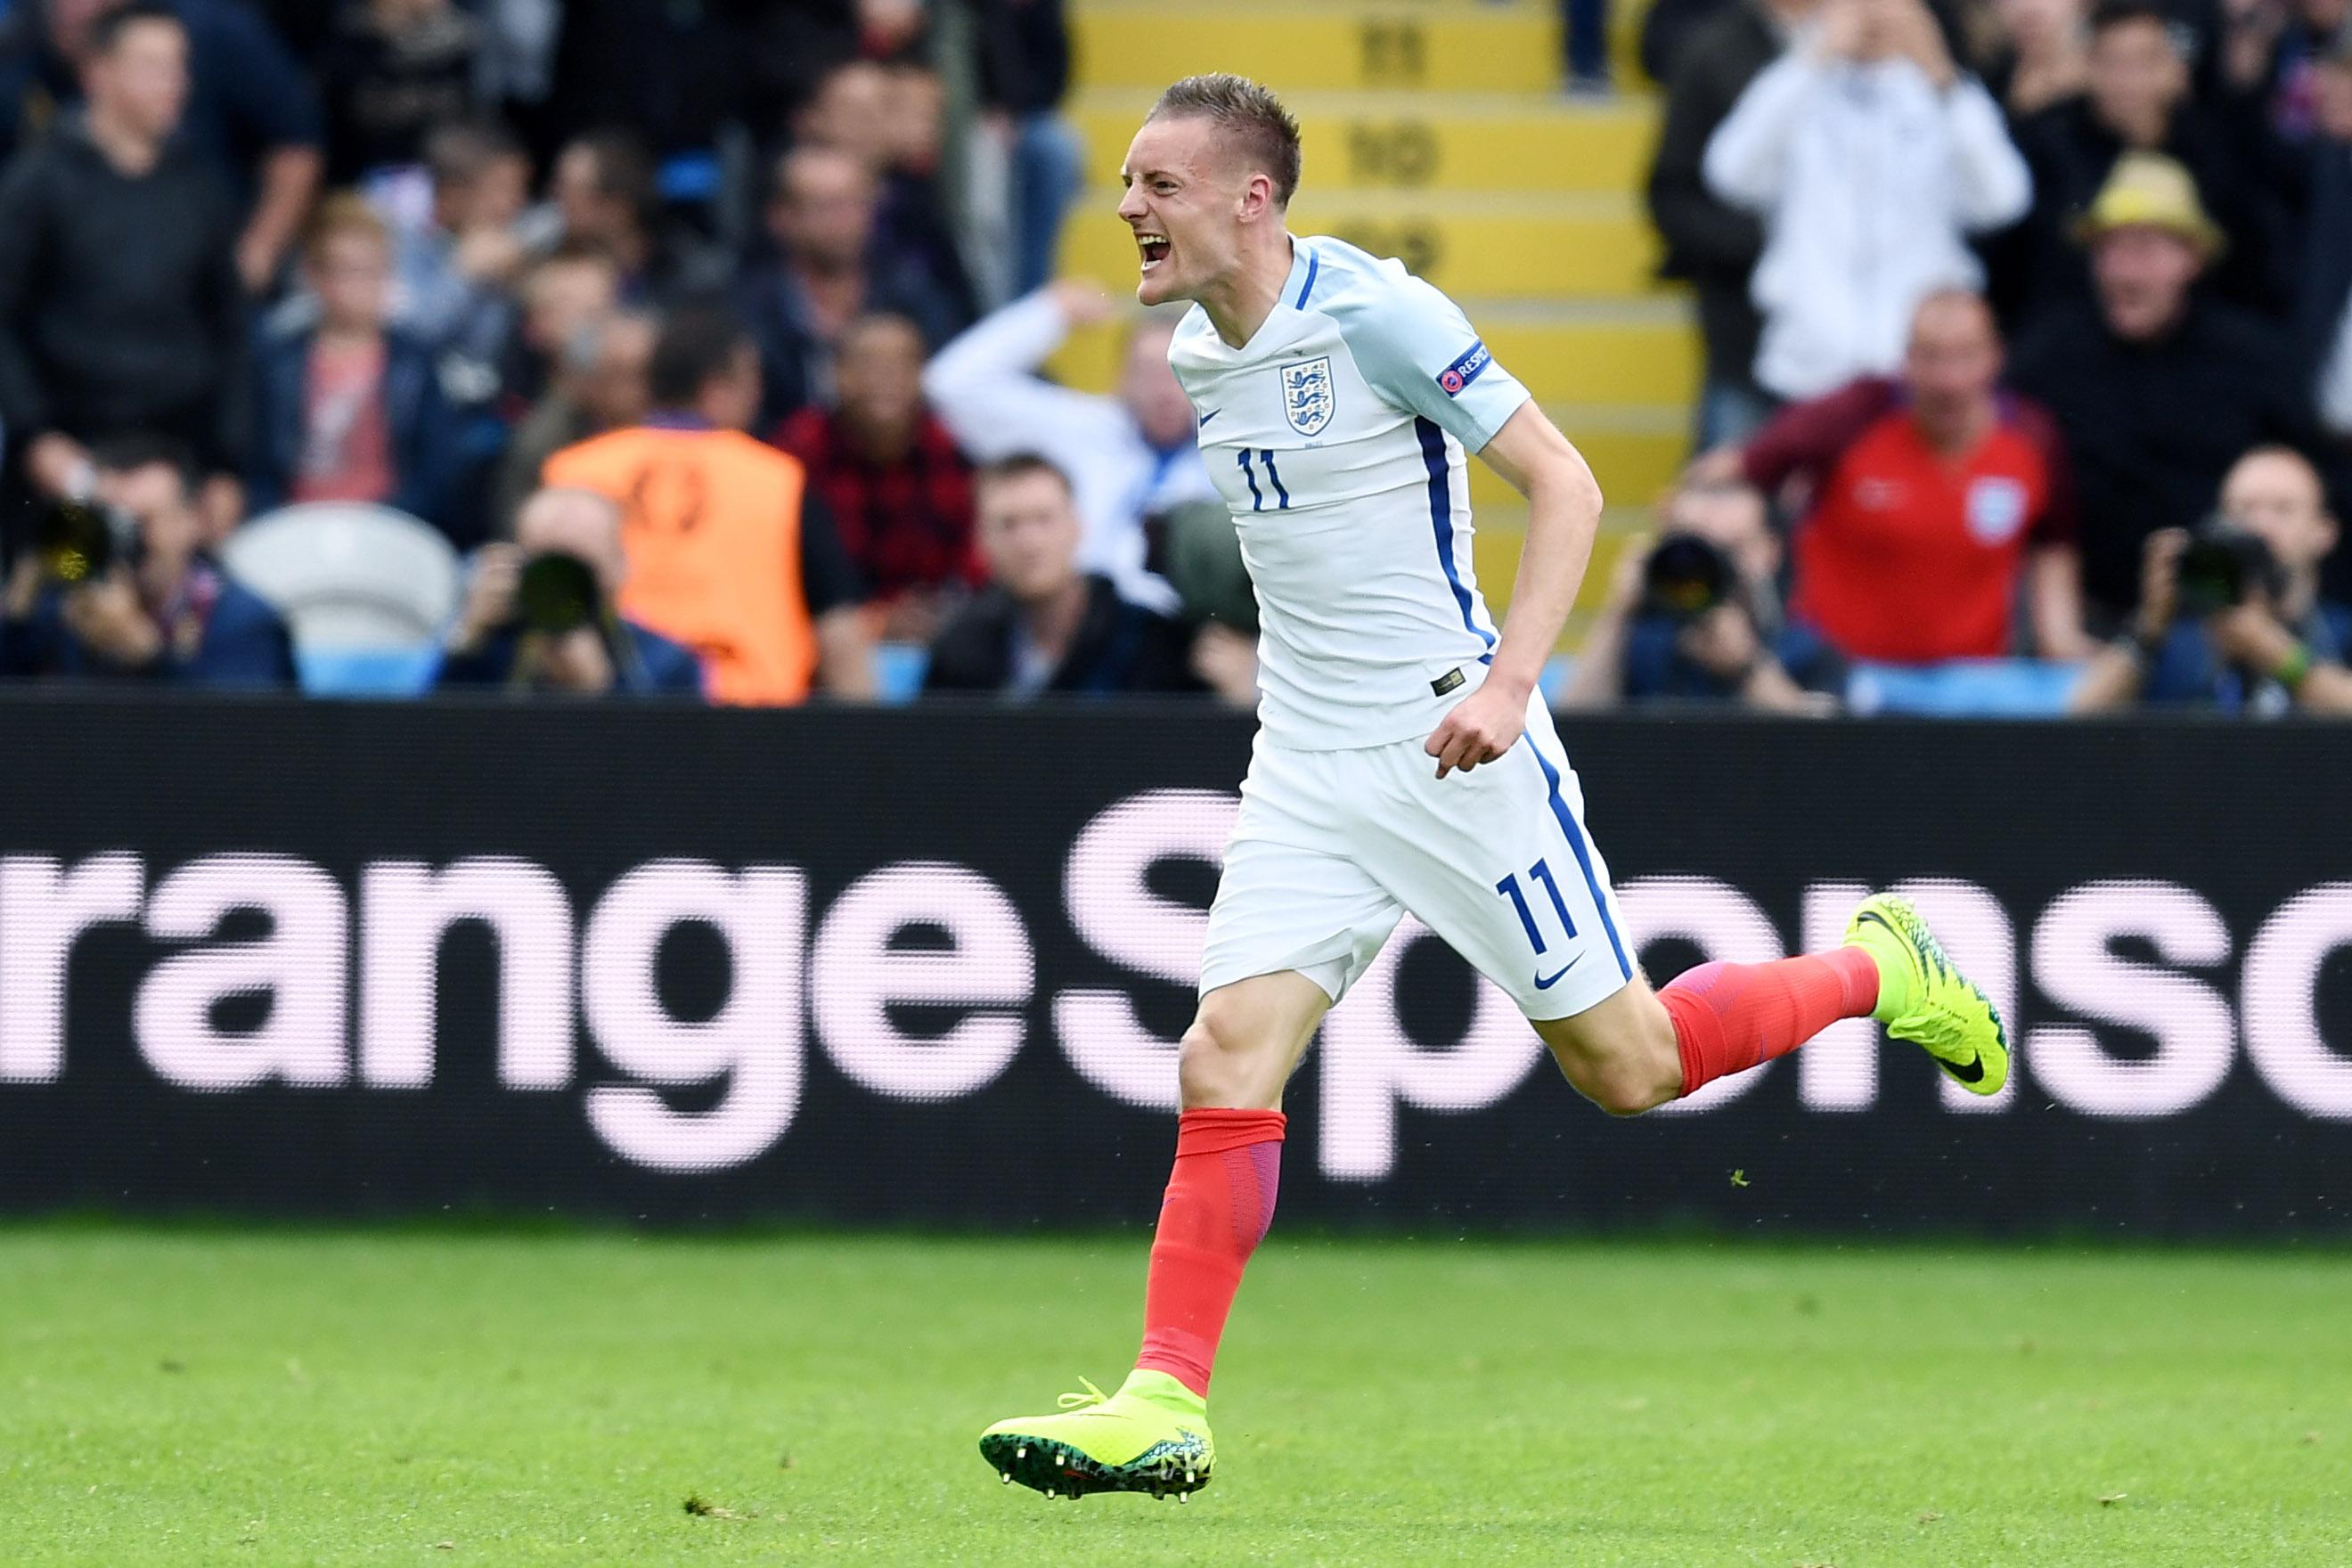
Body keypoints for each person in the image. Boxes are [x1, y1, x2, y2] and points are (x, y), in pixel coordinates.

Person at [977, 73, 2012, 1501]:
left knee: (1631, 1068)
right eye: (1128, 182)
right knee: (1222, 1057)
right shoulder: (1205, 348)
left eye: (1158, 184)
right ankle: (1166, 1403)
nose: (1127, 206)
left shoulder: (1378, 313)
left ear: (1251, 198)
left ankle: (1878, 969)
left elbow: (1566, 485)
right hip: (1306, 761)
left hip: (1452, 747)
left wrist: (1511, 686)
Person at [2008, 151, 2329, 620]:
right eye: (2108, 249)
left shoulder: (2253, 360)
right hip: (2079, 621)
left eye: (2144, 249)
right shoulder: (2048, 357)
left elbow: (2314, 481)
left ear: (2192, 258)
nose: (2122, 270)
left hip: (2220, 617)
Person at [1728, 289, 2091, 663]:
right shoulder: (1854, 415)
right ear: (1906, 361)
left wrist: (2059, 635)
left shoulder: (2032, 438)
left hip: (1971, 681)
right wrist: (1740, 523)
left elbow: (2054, 543)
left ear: (1996, 357)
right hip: (1838, 674)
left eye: (1965, 356)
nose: (1948, 380)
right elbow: (1731, 473)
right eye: (1931, 357)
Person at [541, 306, 876, 705]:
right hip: (752, 717)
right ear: (717, 390)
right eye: (752, 382)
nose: (758, 397)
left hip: (610, 712)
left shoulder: (574, 469)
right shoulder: (777, 479)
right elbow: (839, 632)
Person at [1702, 0, 2033, 403]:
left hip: (1915, 374)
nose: (1872, 12)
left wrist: (1940, 72)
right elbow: (1730, 174)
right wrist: (1811, 59)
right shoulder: (1799, 86)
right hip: (1806, 369)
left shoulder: (1943, 96)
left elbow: (2002, 200)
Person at [0, 2, 246, 538]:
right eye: (154, 66)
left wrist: (229, 464)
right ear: (99, 72)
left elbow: (231, 326)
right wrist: (35, 436)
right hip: (68, 461)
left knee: (184, 586)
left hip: (180, 457)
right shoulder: (37, 185)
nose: (174, 84)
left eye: (180, 66)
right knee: (74, 584)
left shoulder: (199, 187)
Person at [924, 282, 1217, 612]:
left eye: (1179, 371)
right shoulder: (1083, 428)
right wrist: (1050, 312)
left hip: (1181, 629)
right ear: (1121, 378)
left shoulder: (1237, 453)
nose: (1163, 391)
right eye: (1148, 372)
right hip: (1072, 622)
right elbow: (952, 386)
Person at [1997, 0, 2291, 323]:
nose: (2128, 80)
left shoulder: (2214, 146)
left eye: (2144, 61)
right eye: (2112, 63)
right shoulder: (2047, 143)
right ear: (2087, 68)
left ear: (2173, 68)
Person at [40, 0, 323, 294]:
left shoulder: (199, 181)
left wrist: (258, 253)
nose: (173, 85)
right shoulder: (43, 176)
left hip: (201, 287)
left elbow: (295, 140)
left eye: (174, 67)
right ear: (96, 73)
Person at [1645, 0, 1818, 446]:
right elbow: (1673, 193)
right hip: (1744, 329)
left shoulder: (1884, 52)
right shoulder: (1713, 50)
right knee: (1729, 479)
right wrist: (1767, 244)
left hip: (1866, 352)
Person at [2070, 445, 2352, 710]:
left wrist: (2274, 652)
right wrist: (2147, 629)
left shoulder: (2341, 634)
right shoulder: (2180, 644)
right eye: (2245, 509)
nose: (2260, 526)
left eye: (2282, 509)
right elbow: (2079, 717)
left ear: (2325, 531)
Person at [248, 195, 467, 535]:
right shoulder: (277, 361)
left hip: (390, 525)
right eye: (348, 271)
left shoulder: (415, 362)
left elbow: (435, 468)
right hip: (294, 525)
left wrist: (392, 518)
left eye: (373, 270)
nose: (363, 286)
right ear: (314, 275)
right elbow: (259, 461)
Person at [0, 435, 294, 685]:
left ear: (192, 521)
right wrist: (18, 613)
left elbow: (239, 729)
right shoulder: (69, 610)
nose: (127, 543)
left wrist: (149, 659)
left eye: (142, 523)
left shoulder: (241, 621)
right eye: (110, 523)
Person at [776, 313, 979, 644]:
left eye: (902, 364)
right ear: (835, 375)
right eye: (867, 364)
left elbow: (975, 567)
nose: (886, 378)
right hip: (819, 634)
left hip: (935, 636)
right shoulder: (796, 454)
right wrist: (870, 621)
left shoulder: (952, 450)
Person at [924, 453, 1198, 696]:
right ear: (981, 541)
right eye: (1008, 525)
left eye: (1043, 519)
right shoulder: (961, 647)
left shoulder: (1147, 644)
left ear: (1077, 527)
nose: (1029, 543)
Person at [1558, 477, 1844, 710]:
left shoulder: (1805, 649)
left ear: (1767, 551)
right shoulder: (1644, 643)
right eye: (1691, 550)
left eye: (1727, 548)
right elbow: (1573, 728)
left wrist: (1747, 669)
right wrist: (1619, 612)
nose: (1704, 567)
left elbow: (1827, 745)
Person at [740, 146, 967, 429]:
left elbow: (949, 384)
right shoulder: (747, 308)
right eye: (825, 207)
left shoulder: (912, 294)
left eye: (855, 204)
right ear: (780, 217)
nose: (843, 221)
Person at [436, 486, 704, 697]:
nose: (561, 590)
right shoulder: (491, 651)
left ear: (620, 566)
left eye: (579, 572)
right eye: (549, 569)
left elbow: (671, 748)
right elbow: (436, 740)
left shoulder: (664, 661)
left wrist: (605, 691)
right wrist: (467, 642)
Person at [491, 308, 656, 536]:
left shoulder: (676, 428)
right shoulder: (545, 443)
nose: (645, 389)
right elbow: (518, 527)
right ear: (587, 381)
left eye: (652, 374)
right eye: (625, 376)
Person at [315, 0, 485, 185]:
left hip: (442, 179)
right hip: (356, 181)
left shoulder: (460, 42)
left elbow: (470, 123)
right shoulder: (345, 41)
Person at [2299, 16, 2352, 443]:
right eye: (2331, 71)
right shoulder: (2327, 171)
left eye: (2347, 74)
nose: (2328, 86)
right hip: (2325, 435)